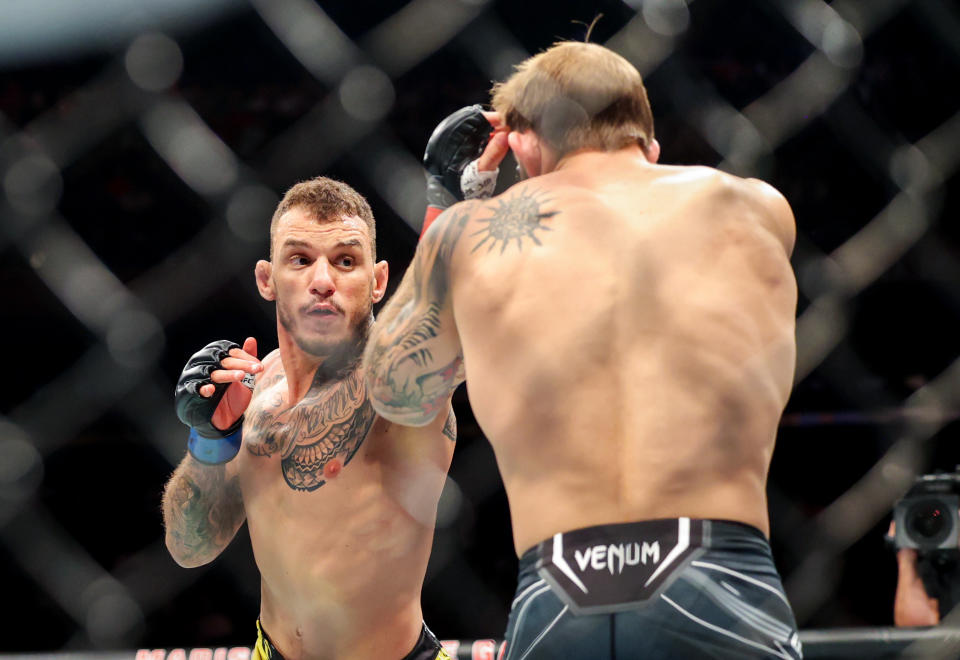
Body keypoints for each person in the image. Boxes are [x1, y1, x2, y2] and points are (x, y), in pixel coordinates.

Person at [363, 41, 802, 658]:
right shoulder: (753, 207)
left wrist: (449, 201)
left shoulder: (468, 237)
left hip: (560, 589)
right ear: (647, 143)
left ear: (521, 143)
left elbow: (392, 392)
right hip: (718, 580)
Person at [162, 177, 456, 660]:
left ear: (378, 281)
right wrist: (209, 440)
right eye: (300, 259)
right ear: (267, 278)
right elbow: (189, 547)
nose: (323, 280)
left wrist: (455, 199)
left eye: (345, 261)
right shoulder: (254, 390)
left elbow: (436, 325)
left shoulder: (395, 382)